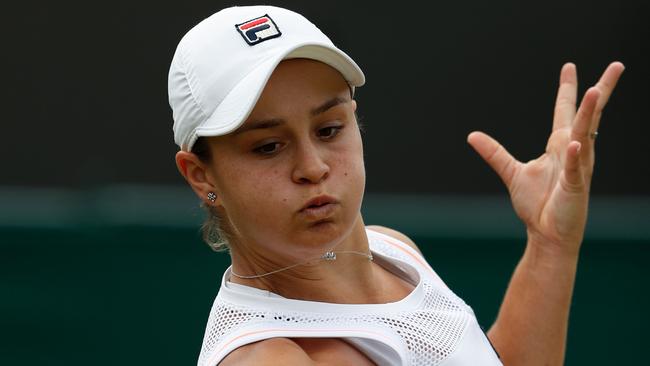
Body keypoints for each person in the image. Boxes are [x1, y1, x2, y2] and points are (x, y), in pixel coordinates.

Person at [168, 5, 624, 366]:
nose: (313, 167)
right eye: (268, 146)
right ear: (201, 175)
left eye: (328, 130)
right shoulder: (275, 359)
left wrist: (551, 245)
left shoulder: (392, 249)